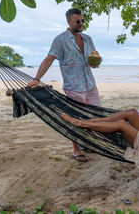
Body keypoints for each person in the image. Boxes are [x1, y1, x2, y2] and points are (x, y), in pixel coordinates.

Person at [27, 8, 101, 163]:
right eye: (77, 21)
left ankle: (88, 143)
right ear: (69, 22)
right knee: (75, 118)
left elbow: (93, 56)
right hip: (74, 86)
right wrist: (37, 79)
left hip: (90, 84)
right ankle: (76, 149)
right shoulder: (60, 40)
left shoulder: (87, 39)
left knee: (95, 116)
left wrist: (95, 63)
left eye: (82, 20)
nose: (81, 24)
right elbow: (49, 59)